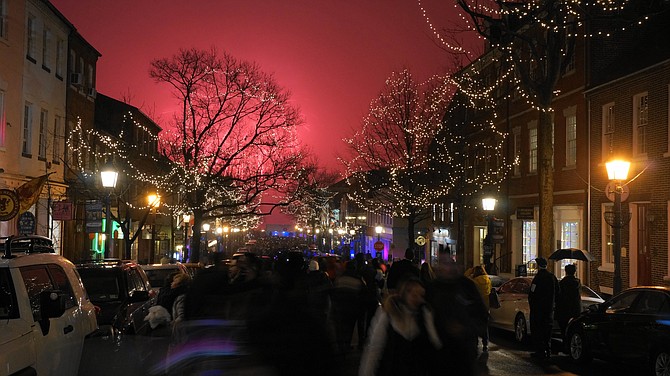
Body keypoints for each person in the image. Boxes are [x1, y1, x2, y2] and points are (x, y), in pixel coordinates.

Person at [359, 277, 442, 376]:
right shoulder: (388, 313)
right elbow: (374, 348)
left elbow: (435, 343)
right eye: (412, 293)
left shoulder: (424, 315)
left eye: (420, 295)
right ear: (403, 293)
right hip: (390, 370)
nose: (416, 298)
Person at [426, 255, 487, 376]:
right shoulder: (432, 288)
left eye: (449, 264)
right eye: (443, 264)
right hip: (438, 353)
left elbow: (481, 316)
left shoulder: (467, 287)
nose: (446, 268)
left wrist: (465, 328)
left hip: (464, 351)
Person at [528, 257, 559, 359]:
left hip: (538, 310)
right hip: (549, 310)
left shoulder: (538, 278)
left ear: (538, 266)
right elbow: (558, 293)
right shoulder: (552, 277)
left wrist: (532, 305)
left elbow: (532, 293)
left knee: (538, 330)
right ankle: (548, 350)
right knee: (547, 331)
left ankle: (540, 351)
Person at [469, 265, 492, 352]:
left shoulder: (474, 281)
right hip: (486, 307)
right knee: (485, 326)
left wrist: (470, 270)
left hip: (476, 306)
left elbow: (465, 278)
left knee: (474, 325)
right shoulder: (488, 280)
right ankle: (485, 343)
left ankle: (475, 343)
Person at [555, 263, 581, 340]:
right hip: (575, 310)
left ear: (565, 271)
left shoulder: (562, 283)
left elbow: (558, 296)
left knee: (563, 330)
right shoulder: (577, 283)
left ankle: (565, 344)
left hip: (563, 310)